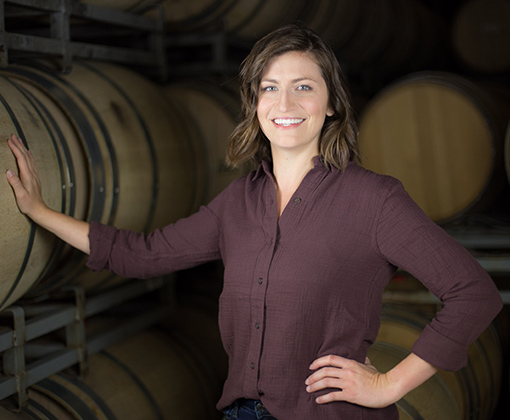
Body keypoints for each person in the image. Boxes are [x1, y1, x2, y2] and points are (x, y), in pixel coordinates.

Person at [6, 24, 503, 420]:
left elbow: (472, 293)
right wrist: (40, 211)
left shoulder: (373, 199)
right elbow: (143, 253)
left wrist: (388, 384)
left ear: (331, 105)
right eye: (270, 88)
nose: (284, 105)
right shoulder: (238, 202)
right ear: (256, 104)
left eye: (303, 88)